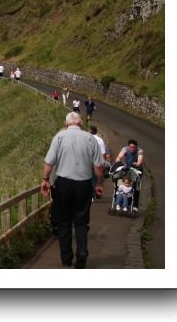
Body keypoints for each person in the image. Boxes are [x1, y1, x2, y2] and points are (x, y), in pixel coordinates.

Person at [42, 112, 108, 268]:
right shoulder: (90, 138)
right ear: (80, 124)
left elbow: (49, 163)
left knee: (64, 221)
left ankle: (66, 257)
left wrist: (45, 180)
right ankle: (82, 252)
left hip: (63, 184)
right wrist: (99, 184)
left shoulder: (59, 137)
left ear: (66, 124)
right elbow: (98, 166)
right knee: (81, 221)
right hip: (84, 184)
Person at [115, 140, 146, 212]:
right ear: (128, 147)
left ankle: (135, 205)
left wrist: (137, 163)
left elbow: (140, 160)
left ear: (136, 147)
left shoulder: (139, 151)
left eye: (134, 147)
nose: (132, 149)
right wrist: (118, 161)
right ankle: (119, 202)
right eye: (131, 147)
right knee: (122, 183)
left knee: (135, 187)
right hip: (127, 168)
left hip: (137, 169)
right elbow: (120, 156)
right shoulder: (125, 149)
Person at [89, 125, 111, 199]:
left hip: (86, 160)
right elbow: (103, 153)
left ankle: (90, 193)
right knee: (96, 176)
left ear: (89, 131)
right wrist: (103, 163)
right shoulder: (100, 140)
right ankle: (96, 191)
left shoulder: (85, 137)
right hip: (97, 160)